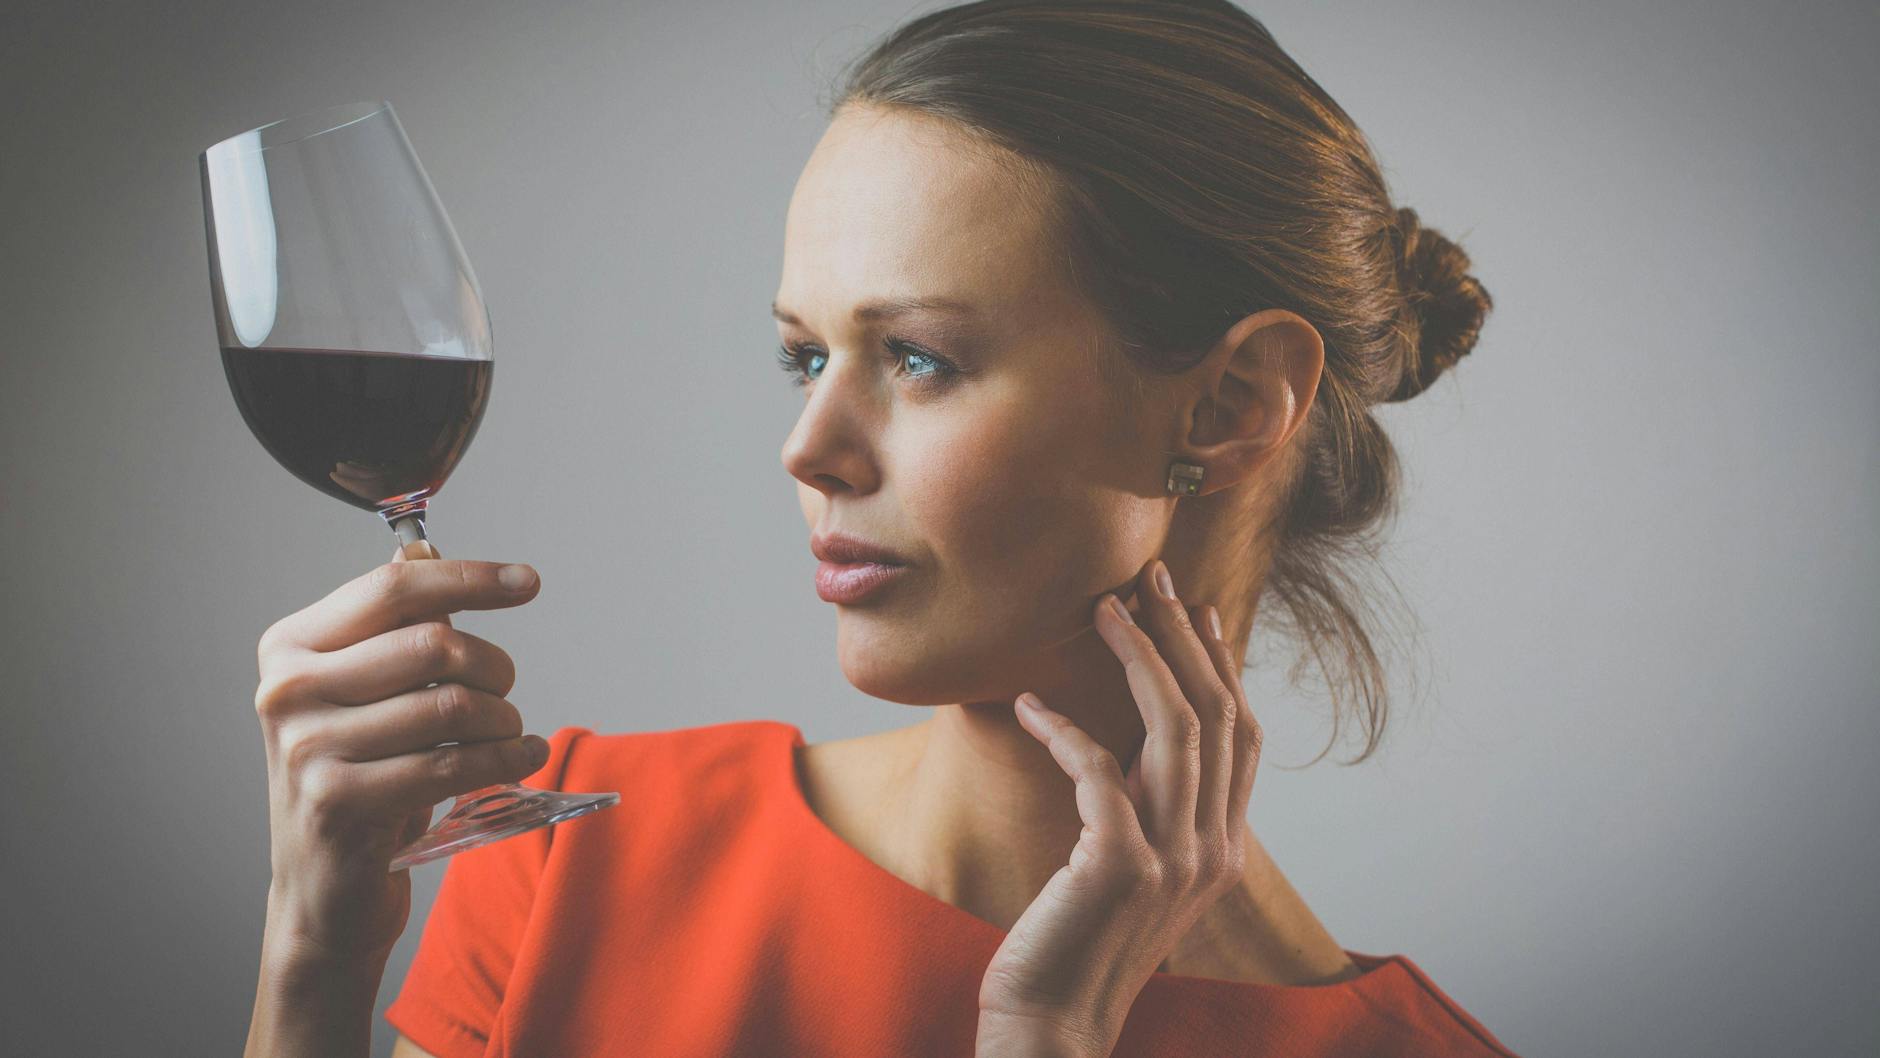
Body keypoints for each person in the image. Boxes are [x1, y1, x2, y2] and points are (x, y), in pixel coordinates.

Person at [241, 2, 1514, 1055]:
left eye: (916, 356)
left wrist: (1048, 1036)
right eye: (804, 356)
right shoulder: (583, 863)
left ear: (1231, 407)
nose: (808, 447)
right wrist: (314, 949)